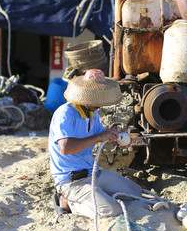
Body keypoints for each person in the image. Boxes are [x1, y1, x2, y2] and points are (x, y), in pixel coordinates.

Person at [48, 69, 142, 219]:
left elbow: (101, 136)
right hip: (71, 181)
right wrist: (99, 137)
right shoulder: (65, 114)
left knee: (136, 193)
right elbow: (66, 148)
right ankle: (67, 201)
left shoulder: (92, 115)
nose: (100, 102)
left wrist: (116, 138)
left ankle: (96, 196)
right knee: (111, 210)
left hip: (93, 173)